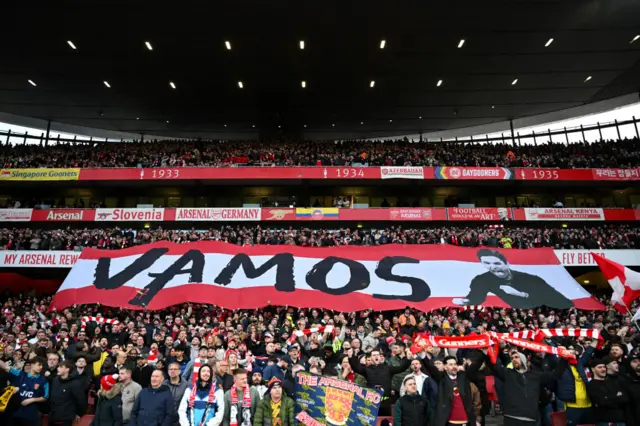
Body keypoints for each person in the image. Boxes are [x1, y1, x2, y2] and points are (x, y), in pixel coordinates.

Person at [453, 249, 574, 309]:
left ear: (507, 263)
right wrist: (465, 301)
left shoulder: (531, 279)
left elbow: (561, 301)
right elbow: (476, 297)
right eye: (487, 263)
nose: (492, 267)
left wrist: (520, 294)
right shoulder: (482, 280)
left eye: (496, 263)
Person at [487, 350, 568, 426]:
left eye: (516, 357)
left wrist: (564, 359)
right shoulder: (507, 374)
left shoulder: (536, 375)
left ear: (524, 360)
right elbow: (492, 366)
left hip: (530, 420)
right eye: (512, 358)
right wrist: (485, 351)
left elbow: (555, 375)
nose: (514, 359)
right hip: (511, 418)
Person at [349, 347, 411, 416]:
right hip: (371, 402)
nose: (376, 356)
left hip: (386, 402)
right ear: (371, 358)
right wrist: (351, 357)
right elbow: (356, 368)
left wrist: (408, 358)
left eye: (377, 355)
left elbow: (401, 368)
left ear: (380, 357)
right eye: (374, 355)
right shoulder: (366, 369)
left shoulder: (388, 368)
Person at [422, 353, 480, 426]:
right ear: (445, 367)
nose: (454, 366)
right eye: (451, 364)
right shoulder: (441, 378)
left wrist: (483, 353)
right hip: (449, 421)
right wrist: (423, 355)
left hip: (466, 420)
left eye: (455, 364)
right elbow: (431, 368)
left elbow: (475, 367)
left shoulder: (463, 376)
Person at [556, 340, 597, 426]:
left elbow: (589, 352)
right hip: (572, 406)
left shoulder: (580, 364)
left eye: (573, 353)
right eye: (568, 353)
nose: (571, 354)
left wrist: (597, 337)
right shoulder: (561, 367)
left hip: (588, 405)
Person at [0, 356, 49, 426]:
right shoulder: (21, 374)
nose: (41, 367)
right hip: (17, 413)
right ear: (32, 365)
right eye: (39, 365)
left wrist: (32, 400)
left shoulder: (43, 380)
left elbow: (45, 397)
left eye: (42, 365)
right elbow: (5, 367)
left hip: (31, 414)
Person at [587, 358, 628, 426]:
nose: (603, 369)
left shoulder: (612, 381)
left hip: (620, 420)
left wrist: (608, 398)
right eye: (600, 367)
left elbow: (625, 398)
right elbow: (601, 402)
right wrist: (616, 397)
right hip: (604, 421)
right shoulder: (591, 384)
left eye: (604, 367)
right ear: (593, 369)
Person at [49, 360, 87, 426]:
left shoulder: (75, 383)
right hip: (52, 415)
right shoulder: (55, 380)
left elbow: (81, 400)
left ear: (67, 369)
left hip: (65, 418)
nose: (57, 368)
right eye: (58, 367)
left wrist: (79, 413)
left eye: (60, 367)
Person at [166, 362, 189, 426]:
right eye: (171, 369)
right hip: (166, 419)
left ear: (179, 371)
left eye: (175, 369)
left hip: (179, 420)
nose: (173, 371)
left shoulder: (186, 385)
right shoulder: (163, 384)